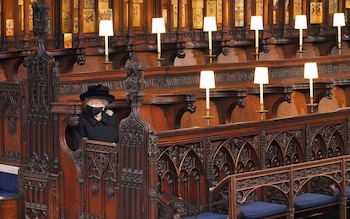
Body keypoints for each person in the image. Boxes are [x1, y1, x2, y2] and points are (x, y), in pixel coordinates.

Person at [72, 84, 119, 149]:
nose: (93, 106)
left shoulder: (110, 117)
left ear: (104, 106)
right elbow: (78, 146)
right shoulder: (81, 119)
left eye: (97, 103)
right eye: (91, 103)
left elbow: (117, 138)